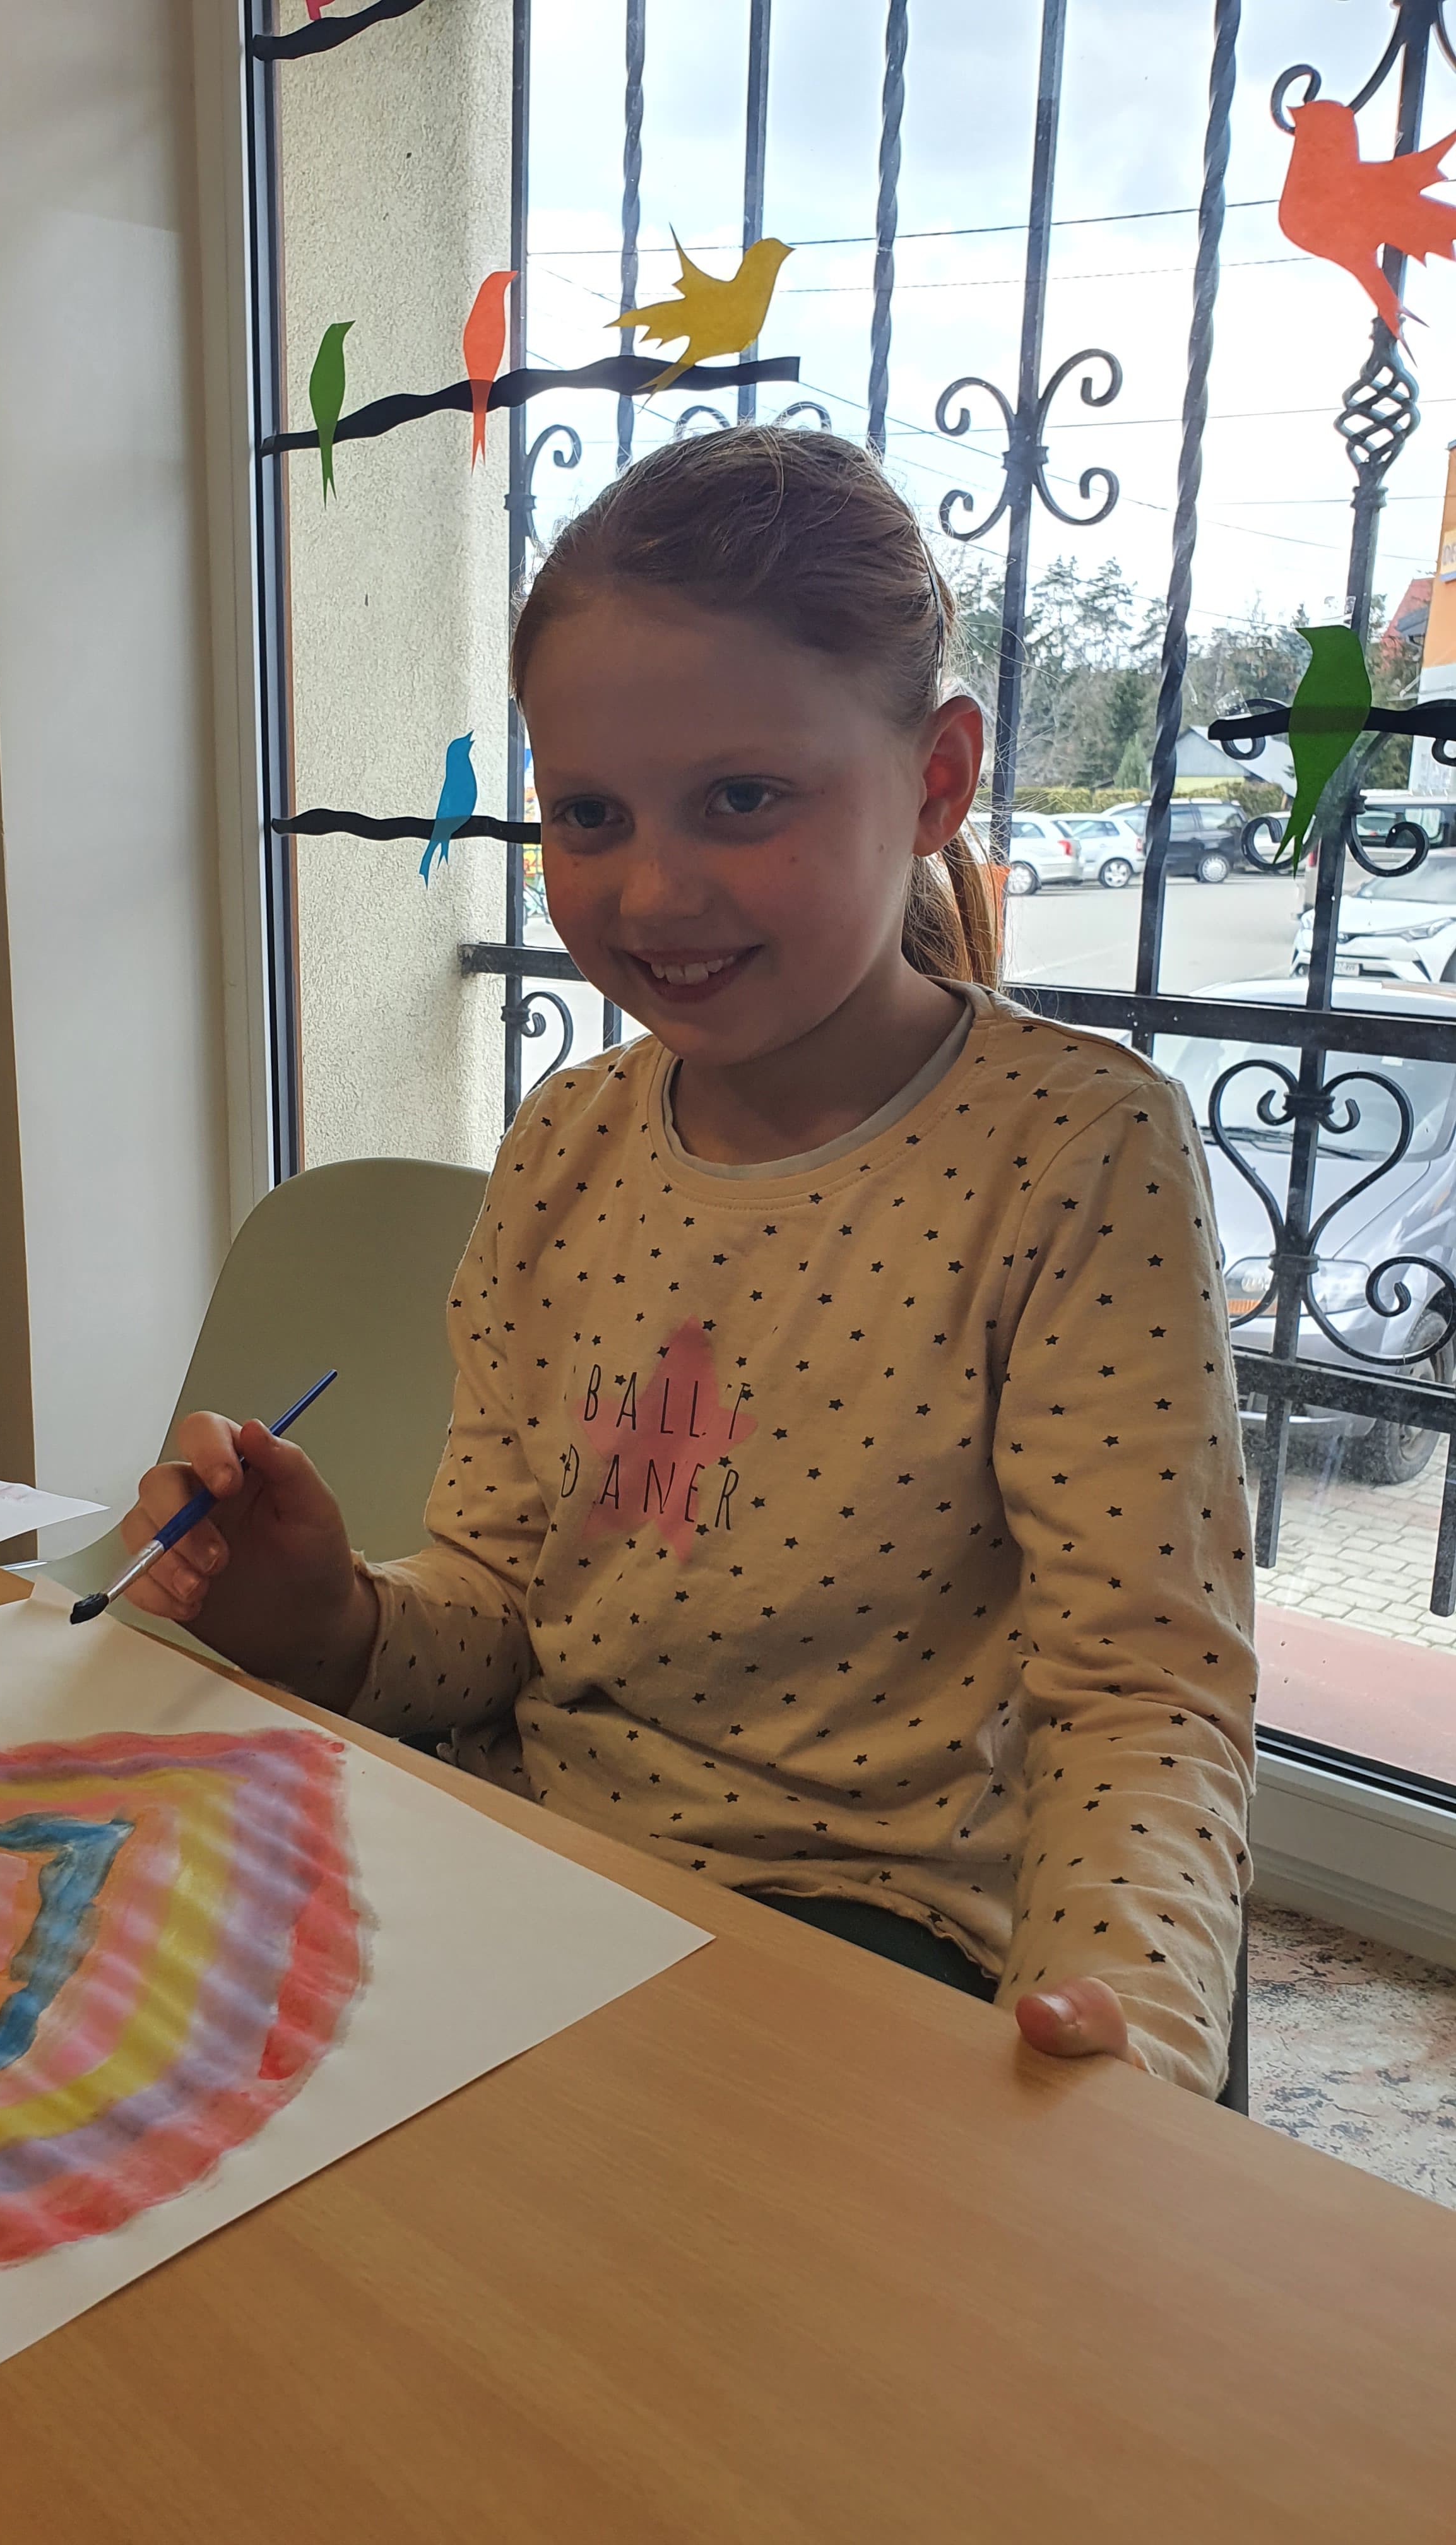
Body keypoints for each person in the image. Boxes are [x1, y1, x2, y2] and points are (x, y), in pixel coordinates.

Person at [125, 426, 1255, 2100]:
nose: (652, 892)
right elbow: (501, 1610)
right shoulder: (567, 1143)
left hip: (877, 1936)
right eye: (590, 813)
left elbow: (1143, 1697)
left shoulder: (1075, 1150)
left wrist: (1124, 2038)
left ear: (937, 781)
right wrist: (331, 1618)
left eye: (742, 799)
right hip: (530, 1869)